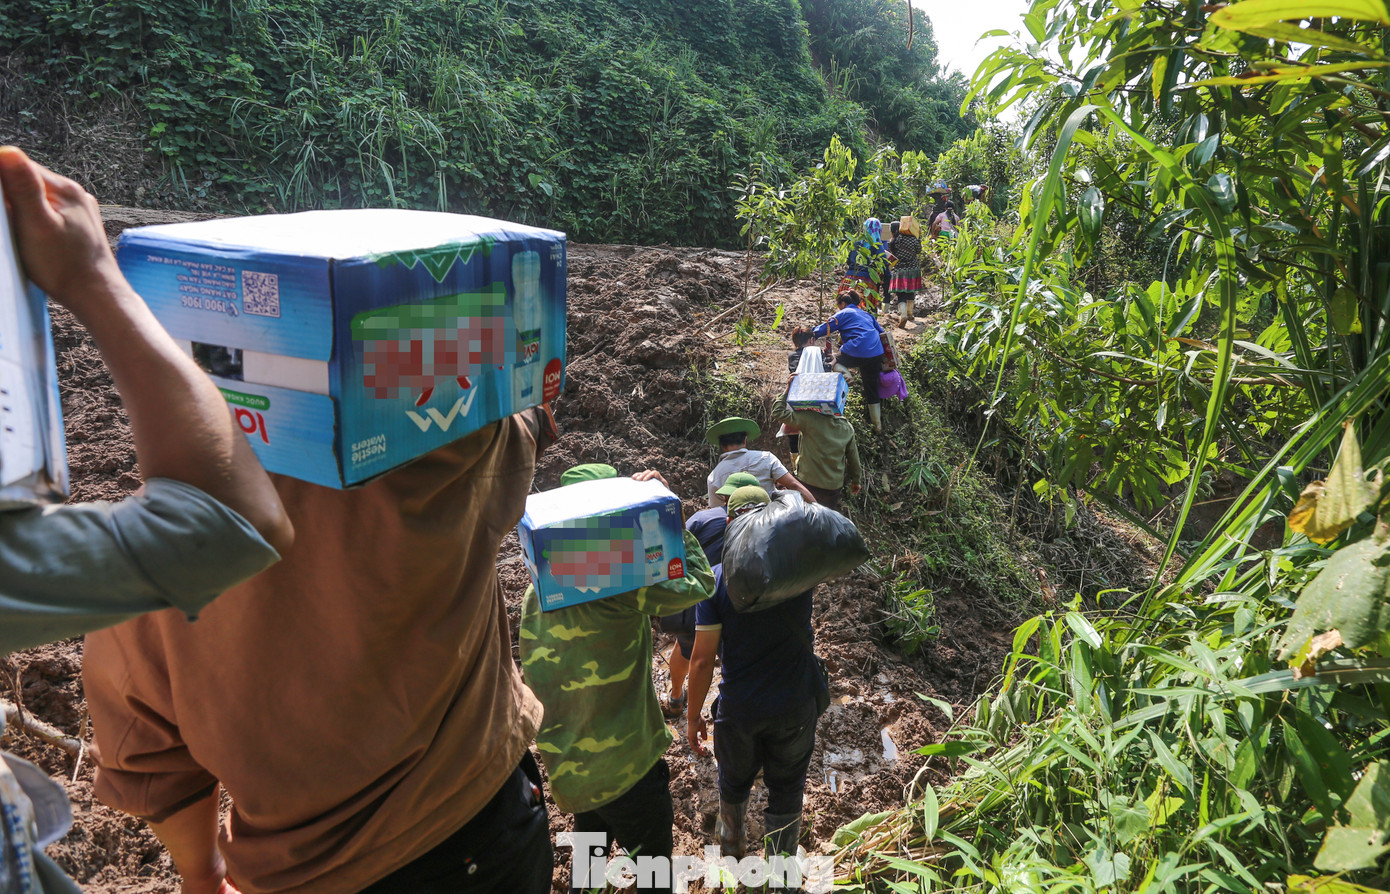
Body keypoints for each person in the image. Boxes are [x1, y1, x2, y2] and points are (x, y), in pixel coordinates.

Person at [84, 410, 561, 890]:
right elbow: (522, 413)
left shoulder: (141, 557)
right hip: (481, 829)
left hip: (303, 878)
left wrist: (204, 873)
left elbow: (150, 764)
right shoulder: (437, 442)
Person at [0, 146, 293, 894]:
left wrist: (202, 873)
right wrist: (91, 273)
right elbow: (233, 518)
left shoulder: (129, 608)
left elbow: (146, 752)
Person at [519, 463, 716, 894]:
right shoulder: (617, 581)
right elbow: (701, 582)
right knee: (654, 877)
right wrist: (670, 515)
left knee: (588, 865)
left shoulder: (538, 592)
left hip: (573, 769)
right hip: (627, 768)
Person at [686, 486, 825, 861]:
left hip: (740, 710)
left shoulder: (716, 582)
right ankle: (780, 876)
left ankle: (731, 865)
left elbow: (701, 661)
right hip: (796, 705)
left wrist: (694, 716)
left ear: (728, 523)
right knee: (788, 788)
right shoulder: (798, 572)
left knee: (732, 785)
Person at [658, 470, 755, 718]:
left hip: (699, 599)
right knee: (731, 659)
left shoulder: (703, 519)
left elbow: (678, 545)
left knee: (686, 648)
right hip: (738, 605)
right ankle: (726, 707)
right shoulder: (762, 525)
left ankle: (676, 696)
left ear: (725, 499)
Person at [772, 378, 863, 511]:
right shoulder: (846, 427)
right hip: (832, 487)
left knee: (806, 517)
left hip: (808, 482)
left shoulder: (809, 418)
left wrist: (788, 389)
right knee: (824, 520)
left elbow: (778, 412)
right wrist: (856, 481)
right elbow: (854, 459)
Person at [812, 291, 887, 432]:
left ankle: (847, 375)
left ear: (843, 303)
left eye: (839, 306)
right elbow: (882, 333)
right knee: (871, 388)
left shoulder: (844, 313)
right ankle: (877, 426)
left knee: (833, 359)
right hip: (876, 353)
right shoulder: (867, 314)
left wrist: (809, 334)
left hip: (857, 348)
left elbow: (826, 327)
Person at [705, 417, 816, 505]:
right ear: (745, 440)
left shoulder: (713, 477)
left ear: (722, 446)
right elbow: (794, 485)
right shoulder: (766, 458)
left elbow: (718, 511)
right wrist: (819, 510)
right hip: (772, 522)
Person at [780, 329, 833, 473]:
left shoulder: (792, 356)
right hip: (816, 403)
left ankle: (797, 471)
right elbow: (825, 373)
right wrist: (831, 361)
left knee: (794, 440)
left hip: (797, 401)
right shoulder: (818, 353)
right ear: (811, 340)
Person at [838, 217, 892, 314]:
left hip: (849, 279)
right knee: (868, 311)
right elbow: (884, 264)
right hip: (866, 283)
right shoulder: (877, 245)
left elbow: (849, 260)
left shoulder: (857, 242)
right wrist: (887, 279)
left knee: (846, 311)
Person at [887, 215, 923, 329]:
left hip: (899, 270)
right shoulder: (912, 239)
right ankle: (910, 314)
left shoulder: (892, 242)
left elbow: (891, 256)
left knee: (901, 294)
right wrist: (918, 236)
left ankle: (903, 315)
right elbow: (919, 250)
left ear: (892, 231)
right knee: (910, 292)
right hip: (913, 269)